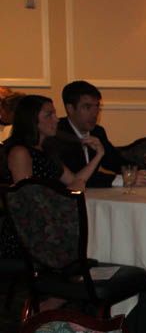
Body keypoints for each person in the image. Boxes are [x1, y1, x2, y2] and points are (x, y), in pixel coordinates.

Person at [0, 95, 106, 257]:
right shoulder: (20, 152)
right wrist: (68, 194)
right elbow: (26, 203)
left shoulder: (46, 151)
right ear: (31, 119)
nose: (56, 120)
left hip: (46, 229)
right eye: (49, 115)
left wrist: (99, 155)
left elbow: (75, 180)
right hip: (26, 239)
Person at [43, 80, 146, 188]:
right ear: (70, 109)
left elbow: (114, 161)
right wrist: (126, 179)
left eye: (97, 106)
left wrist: (144, 173)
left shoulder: (97, 132)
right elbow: (78, 177)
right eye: (87, 107)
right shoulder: (56, 134)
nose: (94, 113)